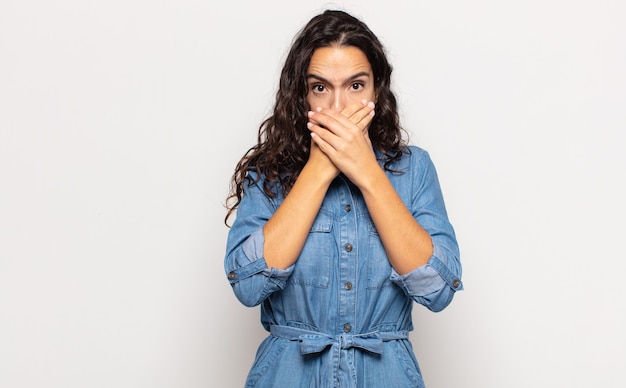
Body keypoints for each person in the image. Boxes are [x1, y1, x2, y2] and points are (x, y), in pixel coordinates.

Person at [224, 9, 462, 387]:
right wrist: (319, 170)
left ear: (376, 90)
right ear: (301, 95)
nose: (338, 108)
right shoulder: (270, 173)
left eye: (355, 86)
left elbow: (437, 288)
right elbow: (248, 286)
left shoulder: (414, 169)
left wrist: (368, 173)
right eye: (320, 87)